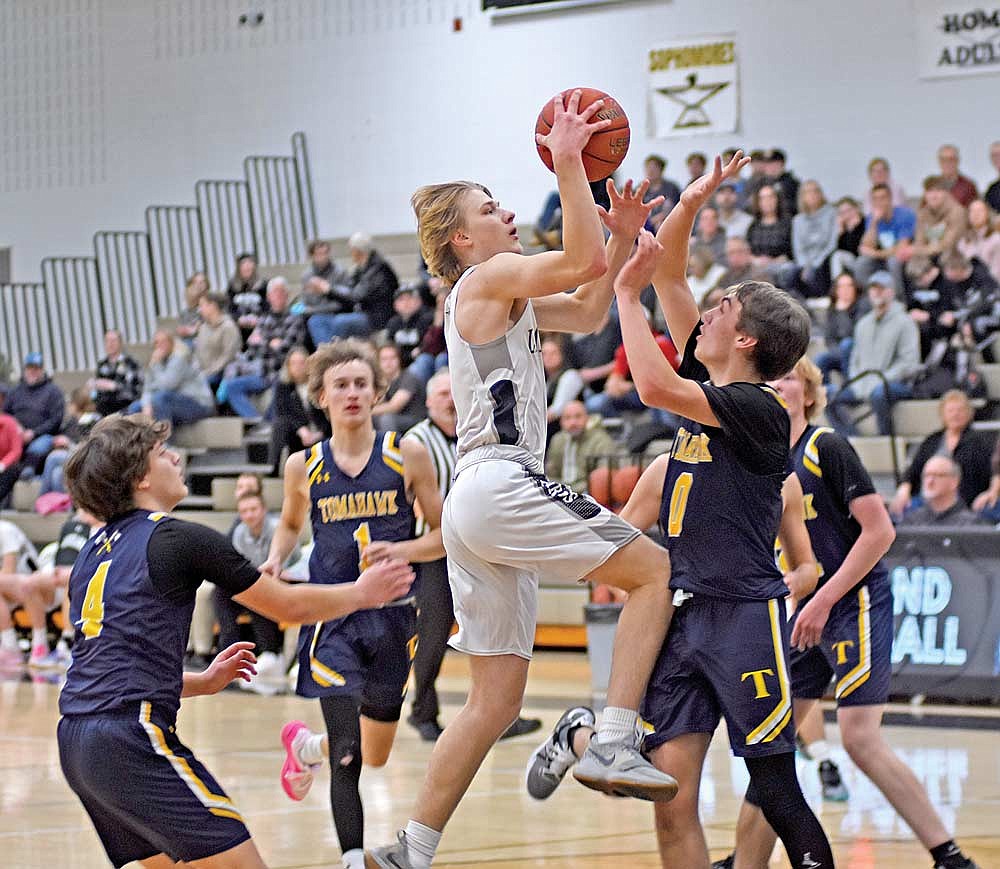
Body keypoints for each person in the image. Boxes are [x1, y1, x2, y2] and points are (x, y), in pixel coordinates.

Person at [367, 92, 680, 869]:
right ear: (458, 236)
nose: (507, 211)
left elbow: (584, 303)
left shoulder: (499, 292)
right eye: (490, 206)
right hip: (502, 482)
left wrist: (625, 240)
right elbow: (574, 263)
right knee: (652, 569)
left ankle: (411, 846)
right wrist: (572, 163)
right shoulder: (483, 278)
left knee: (495, 700)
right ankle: (612, 738)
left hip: (481, 500)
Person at [587, 153, 834, 869]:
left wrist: (624, 298)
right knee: (672, 802)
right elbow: (673, 273)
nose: (711, 309)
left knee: (777, 787)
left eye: (724, 308)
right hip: (684, 614)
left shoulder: (756, 408)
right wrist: (690, 202)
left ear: (747, 338)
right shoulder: (715, 375)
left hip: (743, 615)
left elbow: (654, 386)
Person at [57, 413, 414, 869]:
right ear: (142, 476)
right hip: (132, 735)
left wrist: (200, 682)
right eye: (161, 453)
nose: (175, 457)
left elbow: (106, 665)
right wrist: (363, 593)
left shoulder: (91, 553)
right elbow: (287, 607)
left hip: (76, 740)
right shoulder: (178, 538)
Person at [716, 357, 981, 869]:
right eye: (772, 378)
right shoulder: (762, 460)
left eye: (791, 376)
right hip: (805, 608)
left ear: (810, 393)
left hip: (853, 599)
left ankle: (947, 855)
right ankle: (745, 858)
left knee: (859, 736)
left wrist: (823, 598)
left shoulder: (826, 447)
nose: (781, 385)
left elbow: (880, 532)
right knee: (771, 745)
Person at [265, 340, 445, 869]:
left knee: (377, 752)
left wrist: (405, 549)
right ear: (320, 396)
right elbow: (291, 523)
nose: (351, 393)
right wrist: (277, 558)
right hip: (331, 618)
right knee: (349, 750)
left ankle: (304, 749)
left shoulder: (405, 454)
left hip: (391, 619)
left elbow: (443, 534)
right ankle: (350, 858)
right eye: (340, 385)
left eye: (361, 384)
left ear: (376, 392)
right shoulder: (305, 466)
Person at [213, 491, 298, 694]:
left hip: (288, 583)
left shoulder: (277, 530)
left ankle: (270, 652)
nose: (249, 515)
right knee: (220, 591)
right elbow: (240, 569)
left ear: (264, 510)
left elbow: (279, 570)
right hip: (257, 583)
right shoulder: (240, 533)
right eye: (244, 511)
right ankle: (228, 650)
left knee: (255, 589)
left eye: (253, 509)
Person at [825, 271, 921, 437]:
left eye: (881, 288)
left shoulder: (905, 322)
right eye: (873, 289)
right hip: (862, 384)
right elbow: (855, 358)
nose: (876, 293)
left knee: (879, 393)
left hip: (895, 383)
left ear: (891, 292)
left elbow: (909, 362)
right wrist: (857, 381)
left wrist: (880, 379)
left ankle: (885, 440)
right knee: (825, 394)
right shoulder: (863, 324)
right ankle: (852, 439)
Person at [889, 390, 996, 519]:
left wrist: (991, 492)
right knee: (896, 512)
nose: (955, 414)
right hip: (927, 500)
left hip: (966, 502)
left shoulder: (981, 441)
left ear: (969, 413)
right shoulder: (932, 440)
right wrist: (903, 490)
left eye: (960, 410)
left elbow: (994, 472)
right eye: (951, 411)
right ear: (942, 414)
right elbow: (913, 471)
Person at [127, 330, 215, 427]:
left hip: (199, 405)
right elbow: (147, 389)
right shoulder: (156, 362)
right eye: (157, 342)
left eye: (163, 342)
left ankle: (164, 439)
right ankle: (141, 441)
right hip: (174, 404)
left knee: (160, 398)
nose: (160, 346)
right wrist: (146, 405)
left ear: (171, 343)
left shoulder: (179, 358)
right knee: (135, 408)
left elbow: (167, 385)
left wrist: (156, 365)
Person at [268, 347, 330, 476]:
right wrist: (301, 430)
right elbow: (283, 412)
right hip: (297, 435)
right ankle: (273, 468)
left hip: (322, 434)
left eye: (302, 363)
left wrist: (318, 433)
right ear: (288, 366)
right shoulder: (283, 386)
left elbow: (329, 414)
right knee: (279, 424)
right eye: (293, 363)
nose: (298, 367)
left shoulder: (320, 385)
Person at [5, 353, 65, 475]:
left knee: (39, 445)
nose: (32, 371)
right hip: (17, 434)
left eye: (36, 368)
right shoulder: (15, 391)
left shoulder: (53, 391)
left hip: (43, 435)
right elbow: (6, 414)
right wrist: (16, 428)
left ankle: (27, 470)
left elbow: (56, 420)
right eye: (29, 368)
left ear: (42, 370)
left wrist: (34, 433)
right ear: (25, 370)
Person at [545, 399, 619, 493]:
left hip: (589, 493)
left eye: (578, 416)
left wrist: (573, 490)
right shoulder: (557, 440)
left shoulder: (601, 439)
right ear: (561, 422)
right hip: (563, 493)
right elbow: (551, 474)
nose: (573, 423)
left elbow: (605, 477)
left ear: (587, 418)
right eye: (567, 418)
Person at [898, 456, 988, 528]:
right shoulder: (911, 521)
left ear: (954, 481)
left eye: (937, 475)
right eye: (926, 475)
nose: (930, 481)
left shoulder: (972, 524)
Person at [815, 273, 868, 384]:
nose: (845, 290)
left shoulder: (862, 305)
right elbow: (829, 338)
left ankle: (849, 386)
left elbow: (856, 333)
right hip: (840, 352)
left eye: (849, 286)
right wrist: (837, 352)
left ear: (855, 288)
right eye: (842, 286)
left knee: (846, 344)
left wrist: (843, 312)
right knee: (821, 359)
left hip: (859, 352)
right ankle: (825, 395)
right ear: (836, 290)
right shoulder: (833, 309)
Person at [194, 292, 242, 393]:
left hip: (221, 373)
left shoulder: (228, 327)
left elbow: (228, 357)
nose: (199, 309)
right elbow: (198, 353)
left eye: (202, 305)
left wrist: (208, 372)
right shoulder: (203, 328)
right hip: (203, 372)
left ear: (213, 306)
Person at [90, 329, 143, 417]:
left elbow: (135, 391)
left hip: (124, 407)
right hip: (103, 408)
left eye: (113, 341)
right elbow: (97, 391)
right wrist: (93, 388)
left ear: (120, 343)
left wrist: (115, 386)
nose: (110, 344)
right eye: (107, 341)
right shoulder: (102, 364)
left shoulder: (131, 363)